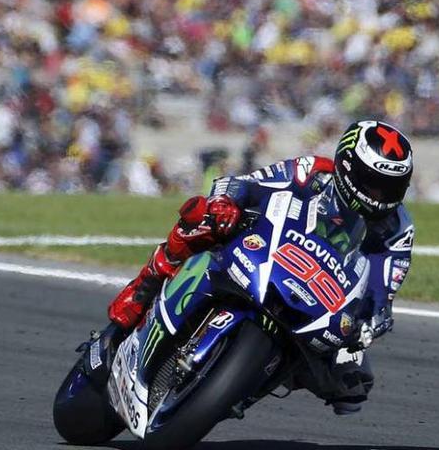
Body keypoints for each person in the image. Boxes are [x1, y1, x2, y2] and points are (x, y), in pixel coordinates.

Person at [106, 120, 415, 414]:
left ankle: (246, 385)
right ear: (347, 167)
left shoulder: (398, 228)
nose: (381, 196)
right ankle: (142, 290)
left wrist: (373, 321)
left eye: (391, 187)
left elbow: (382, 289)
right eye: (374, 184)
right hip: (264, 253)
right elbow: (246, 184)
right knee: (203, 221)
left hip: (320, 296)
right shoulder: (314, 172)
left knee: (354, 383)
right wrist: (226, 201)